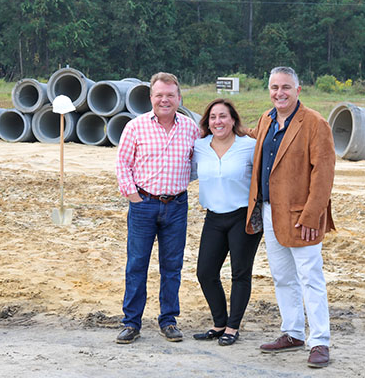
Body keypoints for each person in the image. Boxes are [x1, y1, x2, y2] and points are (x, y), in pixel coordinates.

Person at [245, 66, 335, 368]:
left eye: (285, 87)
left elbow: (323, 174)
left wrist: (312, 216)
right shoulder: (267, 119)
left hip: (301, 215)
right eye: (274, 87)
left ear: (298, 90)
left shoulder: (314, 124)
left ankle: (319, 341)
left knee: (310, 277)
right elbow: (252, 140)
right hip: (269, 211)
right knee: (283, 277)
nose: (279, 93)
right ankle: (293, 332)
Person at [115, 72, 200, 344]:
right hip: (144, 204)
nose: (165, 100)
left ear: (179, 97)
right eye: (159, 95)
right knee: (137, 264)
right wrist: (133, 196)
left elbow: (196, 164)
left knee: (172, 265)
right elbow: (123, 165)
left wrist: (178, 186)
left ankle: (168, 320)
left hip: (176, 205)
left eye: (170, 95)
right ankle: (131, 323)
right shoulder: (135, 127)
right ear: (151, 97)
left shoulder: (190, 128)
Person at [190, 99, 263, 346]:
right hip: (213, 217)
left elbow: (265, 177)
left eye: (223, 116)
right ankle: (218, 323)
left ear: (233, 120)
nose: (217, 121)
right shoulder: (199, 146)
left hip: (242, 217)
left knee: (240, 273)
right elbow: (185, 172)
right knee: (205, 272)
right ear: (207, 122)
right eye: (212, 117)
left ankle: (232, 327)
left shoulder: (249, 146)